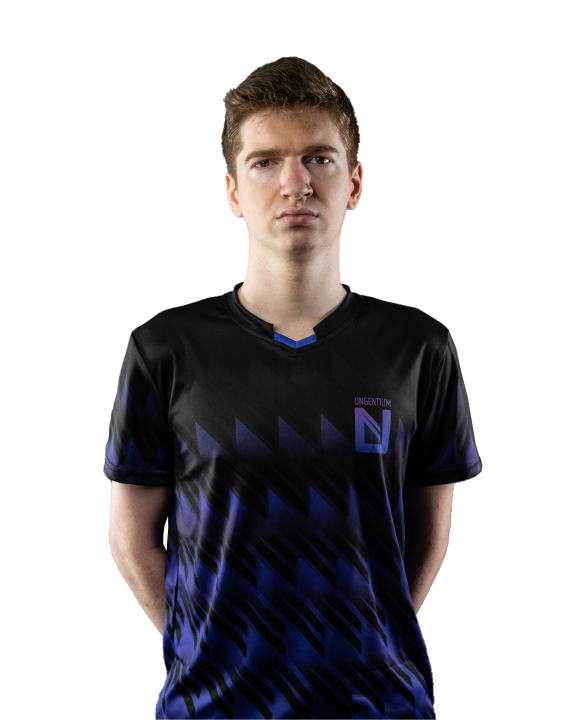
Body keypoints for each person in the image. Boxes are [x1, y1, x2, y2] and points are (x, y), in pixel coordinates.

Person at [104, 56, 482, 720]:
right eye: (265, 162)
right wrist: (202, 651)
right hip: (211, 710)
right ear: (232, 192)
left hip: (380, 707)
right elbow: (132, 539)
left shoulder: (419, 346)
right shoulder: (164, 347)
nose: (295, 183)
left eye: (318, 159)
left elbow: (429, 536)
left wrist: (371, 642)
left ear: (354, 182)